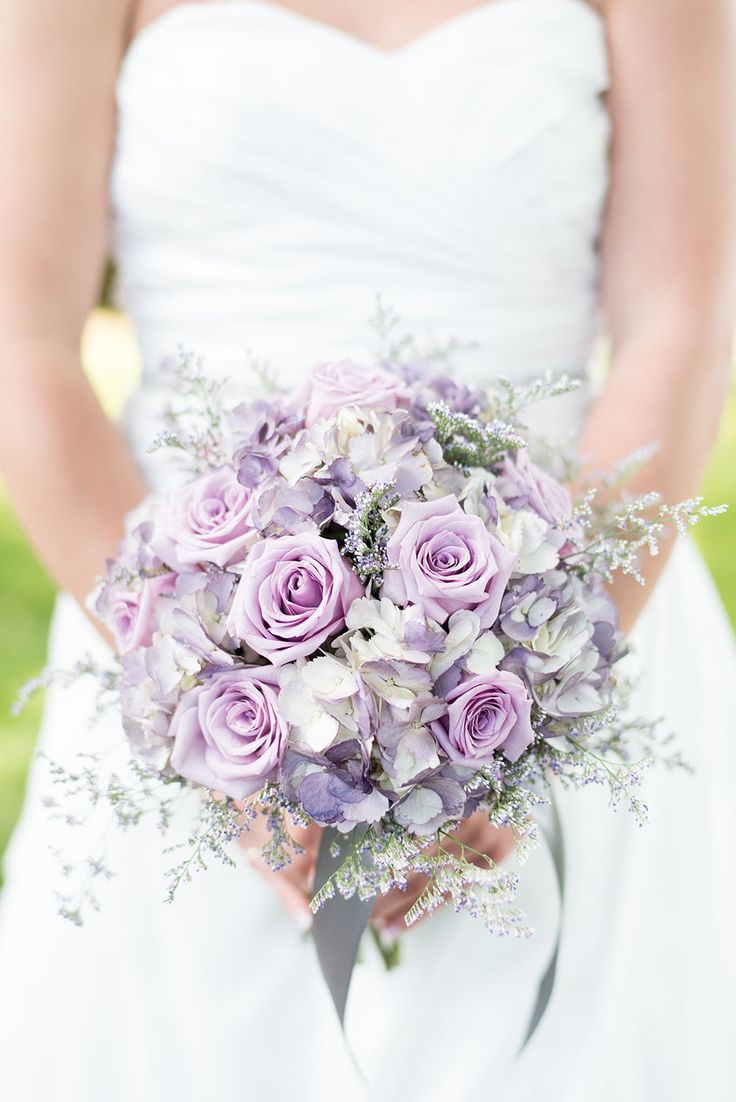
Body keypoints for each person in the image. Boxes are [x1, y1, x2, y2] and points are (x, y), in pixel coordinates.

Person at [0, 1, 735, 1099]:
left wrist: (529, 697)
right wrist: (202, 691)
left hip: (572, 627)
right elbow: (24, 337)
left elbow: (679, 312)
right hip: (168, 630)